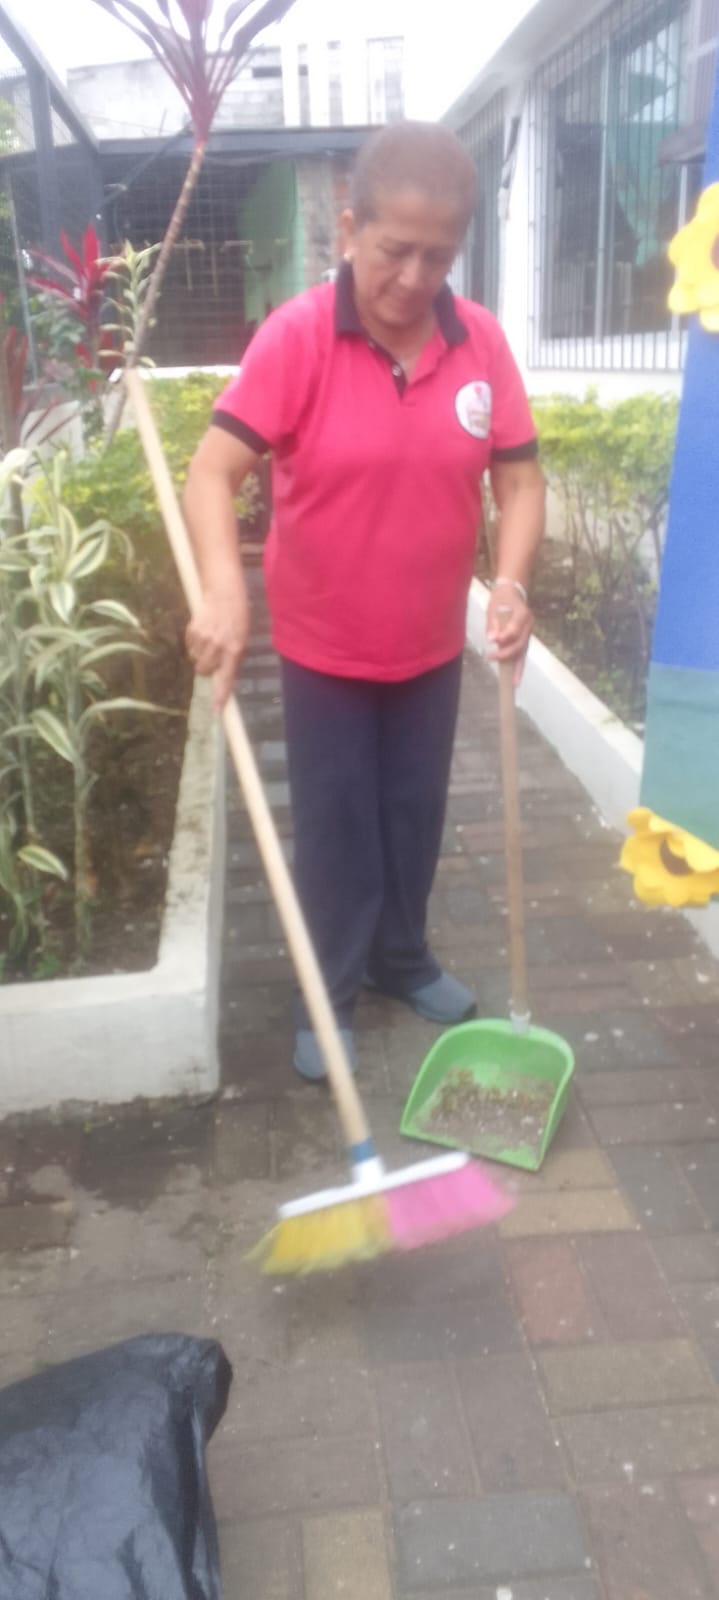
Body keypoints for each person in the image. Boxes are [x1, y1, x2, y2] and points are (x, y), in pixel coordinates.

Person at [183, 121, 545, 1082]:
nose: (415, 277)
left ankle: (399, 957)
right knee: (338, 824)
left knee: (413, 811)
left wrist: (510, 582)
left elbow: (518, 480)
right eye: (395, 249)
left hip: (428, 643)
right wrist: (223, 590)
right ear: (349, 228)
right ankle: (327, 989)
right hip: (324, 647)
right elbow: (211, 473)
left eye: (439, 256)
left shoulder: (480, 344)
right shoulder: (298, 337)